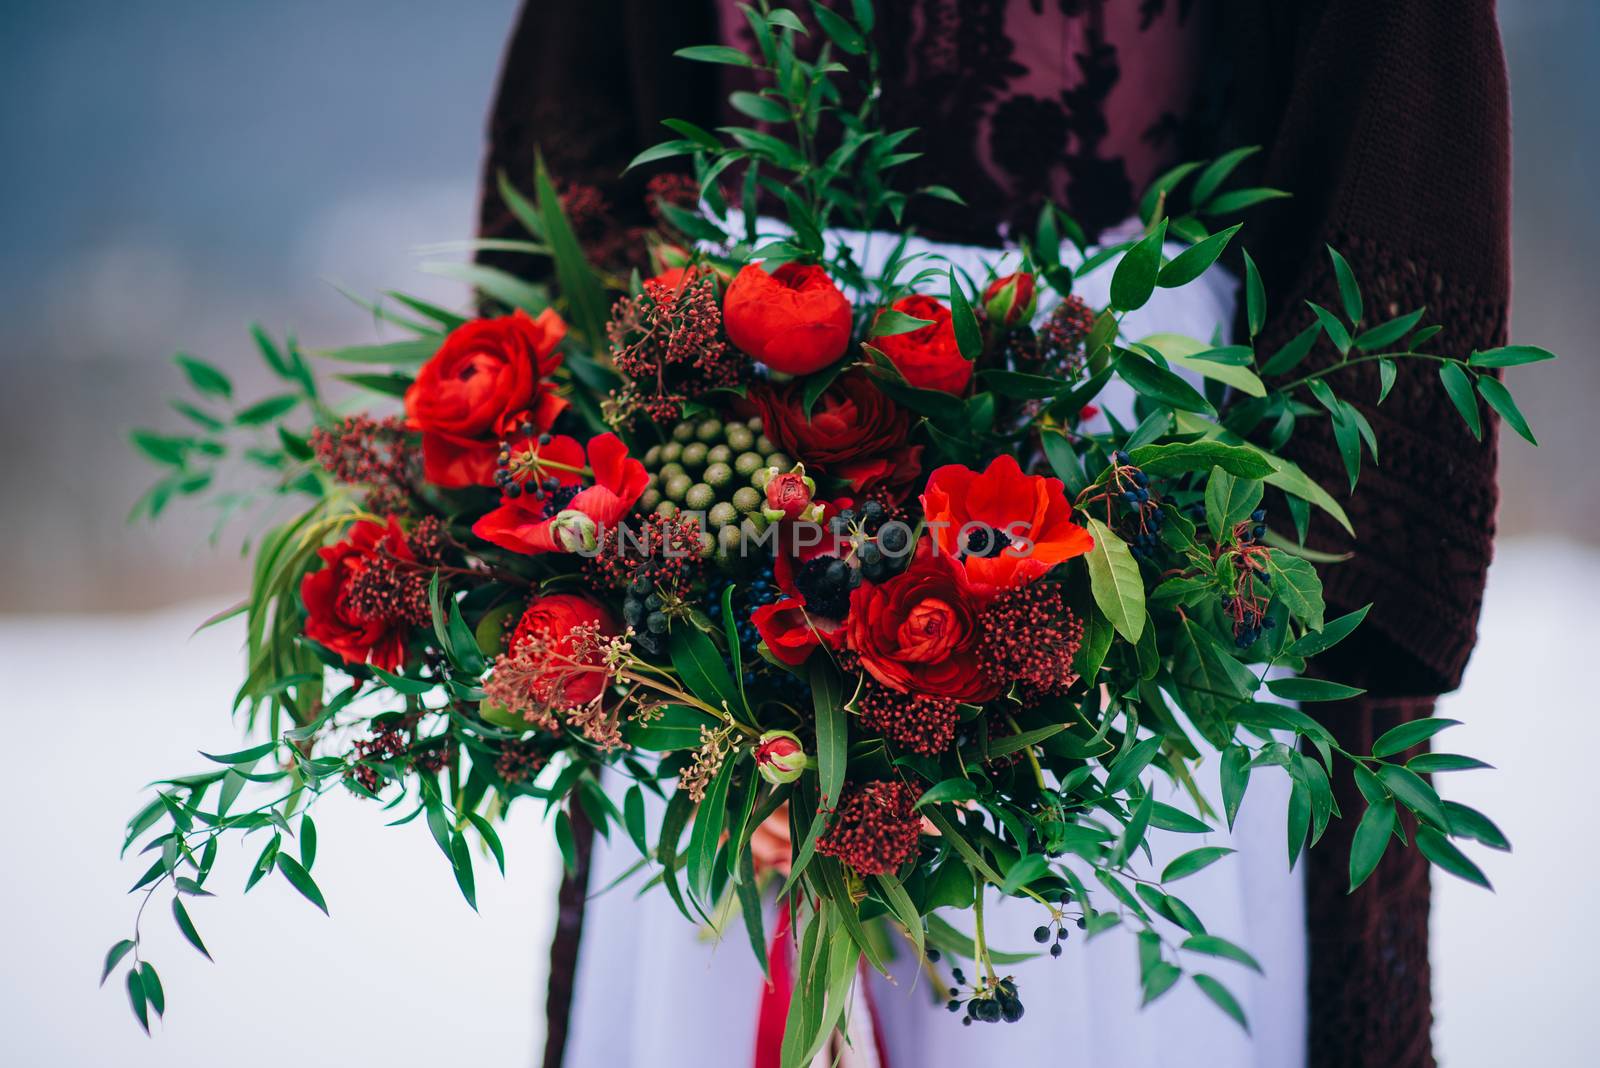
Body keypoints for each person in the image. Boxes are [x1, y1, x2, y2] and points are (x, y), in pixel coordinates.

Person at [475, 4, 1511, 1067]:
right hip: (726, 457)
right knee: (720, 941)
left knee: (1082, 953)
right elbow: (586, 104)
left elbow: (1399, 92)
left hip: (1121, 463)